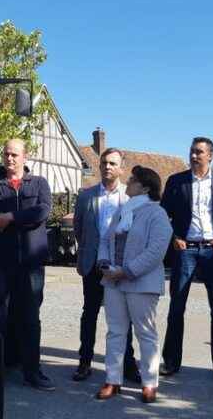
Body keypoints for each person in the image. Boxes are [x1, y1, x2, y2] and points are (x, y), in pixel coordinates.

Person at [160, 137, 213, 381]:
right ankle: (171, 362)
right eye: (192, 152)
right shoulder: (177, 182)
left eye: (199, 152)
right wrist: (174, 237)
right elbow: (164, 214)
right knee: (177, 307)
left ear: (210, 156)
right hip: (186, 249)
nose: (194, 156)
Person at [0, 139, 55, 391]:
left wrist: (10, 217)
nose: (9, 159)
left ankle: (32, 372)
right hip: (1, 264)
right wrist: (10, 219)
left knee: (30, 319)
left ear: (25, 157)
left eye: (14, 154)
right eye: (6, 154)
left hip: (31, 264)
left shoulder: (39, 184)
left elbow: (42, 212)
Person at [94, 166, 173, 403]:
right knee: (115, 332)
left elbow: (156, 251)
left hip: (141, 283)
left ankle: (149, 383)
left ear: (145, 187)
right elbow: (106, 239)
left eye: (133, 180)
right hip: (113, 281)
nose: (127, 182)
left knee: (145, 334)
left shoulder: (156, 214)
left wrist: (126, 272)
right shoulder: (122, 210)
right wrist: (104, 262)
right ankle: (113, 380)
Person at [72, 148, 140, 383]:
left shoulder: (130, 198)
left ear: (121, 168)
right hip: (93, 265)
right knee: (89, 314)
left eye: (113, 163)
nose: (107, 167)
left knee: (123, 317)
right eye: (104, 162)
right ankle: (84, 362)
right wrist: (89, 252)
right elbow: (79, 230)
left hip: (120, 267)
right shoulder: (85, 196)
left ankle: (128, 365)